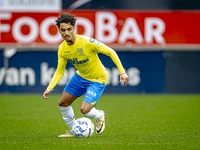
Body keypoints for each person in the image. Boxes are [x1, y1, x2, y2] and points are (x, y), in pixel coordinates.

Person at [43, 13, 129, 137]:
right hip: (80, 77)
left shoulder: (87, 42)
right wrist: (49, 87)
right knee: (63, 103)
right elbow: (60, 71)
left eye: (69, 29)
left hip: (98, 79)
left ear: (74, 28)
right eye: (63, 30)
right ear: (59, 31)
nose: (66, 33)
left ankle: (100, 115)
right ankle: (74, 130)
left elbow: (110, 52)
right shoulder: (62, 48)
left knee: (84, 110)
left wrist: (122, 72)